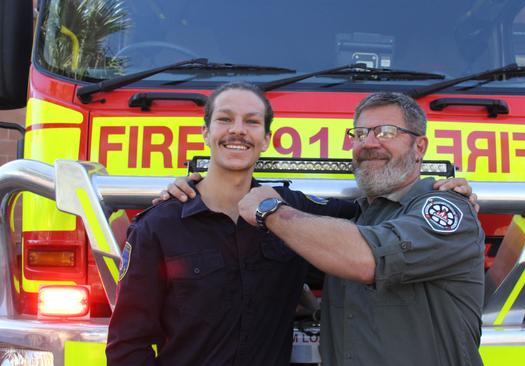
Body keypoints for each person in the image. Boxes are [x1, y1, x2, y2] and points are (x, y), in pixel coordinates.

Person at [106, 82, 358, 365]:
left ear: (265, 139)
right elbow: (127, 345)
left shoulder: (292, 211)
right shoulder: (158, 227)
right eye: (225, 119)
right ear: (206, 133)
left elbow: (366, 218)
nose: (237, 129)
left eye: (251, 122)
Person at [237, 92, 485, 366]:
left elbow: (367, 259)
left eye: (386, 132)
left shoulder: (446, 207)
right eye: (360, 133)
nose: (368, 143)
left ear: (420, 146)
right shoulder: (357, 218)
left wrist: (270, 211)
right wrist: (192, 189)